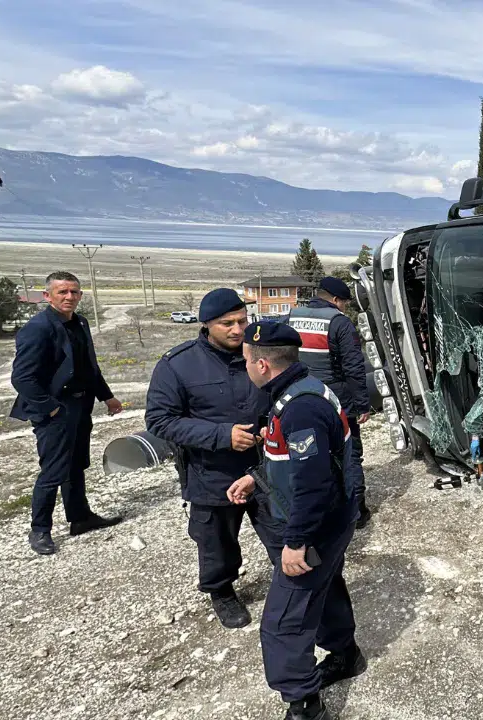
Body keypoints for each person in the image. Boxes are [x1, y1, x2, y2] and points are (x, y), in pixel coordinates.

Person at [227, 321, 367, 720]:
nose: (246, 368)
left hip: (318, 524)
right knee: (324, 587)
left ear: (261, 364)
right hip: (332, 518)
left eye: (246, 361)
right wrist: (257, 478)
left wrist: (296, 542)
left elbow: (313, 483)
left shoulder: (301, 406)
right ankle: (345, 656)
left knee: (283, 621)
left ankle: (304, 705)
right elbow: (296, 462)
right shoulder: (298, 390)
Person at [145, 288, 283, 628]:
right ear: (207, 324)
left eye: (242, 321)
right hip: (212, 474)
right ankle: (221, 591)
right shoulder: (178, 365)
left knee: (283, 530)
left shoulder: (259, 353)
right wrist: (222, 436)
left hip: (264, 467)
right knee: (216, 543)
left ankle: (291, 584)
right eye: (227, 324)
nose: (238, 330)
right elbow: (160, 420)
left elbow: (280, 395)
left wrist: (271, 427)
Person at [10, 271, 124, 555]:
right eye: (62, 292)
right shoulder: (38, 328)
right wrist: (50, 409)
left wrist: (107, 396)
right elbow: (22, 378)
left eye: (74, 292)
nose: (69, 297)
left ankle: (80, 518)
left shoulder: (80, 322)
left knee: (76, 466)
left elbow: (88, 367)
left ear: (81, 295)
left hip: (79, 405)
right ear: (47, 296)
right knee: (53, 471)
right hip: (54, 409)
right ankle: (40, 530)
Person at [284, 276, 372, 528]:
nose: (344, 307)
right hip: (337, 401)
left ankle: (316, 511)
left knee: (308, 456)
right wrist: (361, 405)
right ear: (335, 300)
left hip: (300, 398)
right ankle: (357, 513)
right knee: (349, 455)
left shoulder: (292, 317)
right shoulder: (339, 323)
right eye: (343, 302)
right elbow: (354, 368)